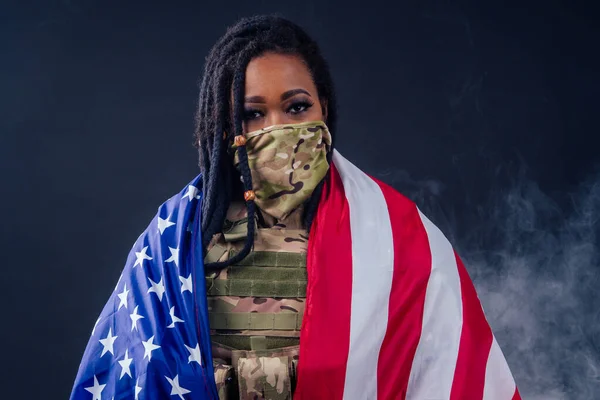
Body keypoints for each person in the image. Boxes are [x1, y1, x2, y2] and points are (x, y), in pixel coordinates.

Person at [70, 14, 521, 400]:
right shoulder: (174, 239)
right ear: (224, 123)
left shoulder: (397, 236)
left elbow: (446, 369)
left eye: (296, 107)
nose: (278, 129)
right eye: (253, 113)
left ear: (323, 106)